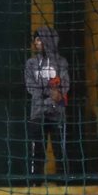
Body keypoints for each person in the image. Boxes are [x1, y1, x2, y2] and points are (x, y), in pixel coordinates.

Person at [24, 26, 70, 179]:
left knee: (60, 151)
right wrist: (50, 94)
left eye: (40, 39)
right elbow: (31, 87)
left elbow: (65, 85)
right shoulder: (31, 63)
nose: (37, 43)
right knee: (37, 152)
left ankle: (63, 182)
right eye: (35, 40)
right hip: (37, 113)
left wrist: (52, 96)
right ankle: (35, 183)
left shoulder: (61, 62)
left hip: (57, 113)